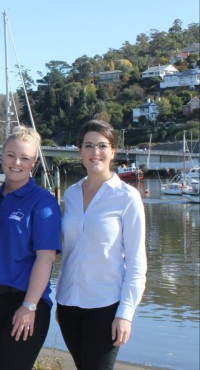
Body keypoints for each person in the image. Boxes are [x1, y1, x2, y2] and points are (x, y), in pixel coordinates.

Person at [56, 119, 147, 370]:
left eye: (102, 145)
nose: (95, 152)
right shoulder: (72, 194)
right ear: (80, 152)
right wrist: (60, 302)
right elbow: (69, 252)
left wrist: (126, 313)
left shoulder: (127, 197)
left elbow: (137, 262)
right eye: (88, 146)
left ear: (113, 151)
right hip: (69, 305)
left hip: (106, 307)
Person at [0, 126, 61, 370]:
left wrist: (29, 306)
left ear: (33, 163)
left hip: (26, 303)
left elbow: (45, 259)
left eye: (25, 158)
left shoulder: (42, 201)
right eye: (11, 155)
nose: (16, 162)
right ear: (2, 156)